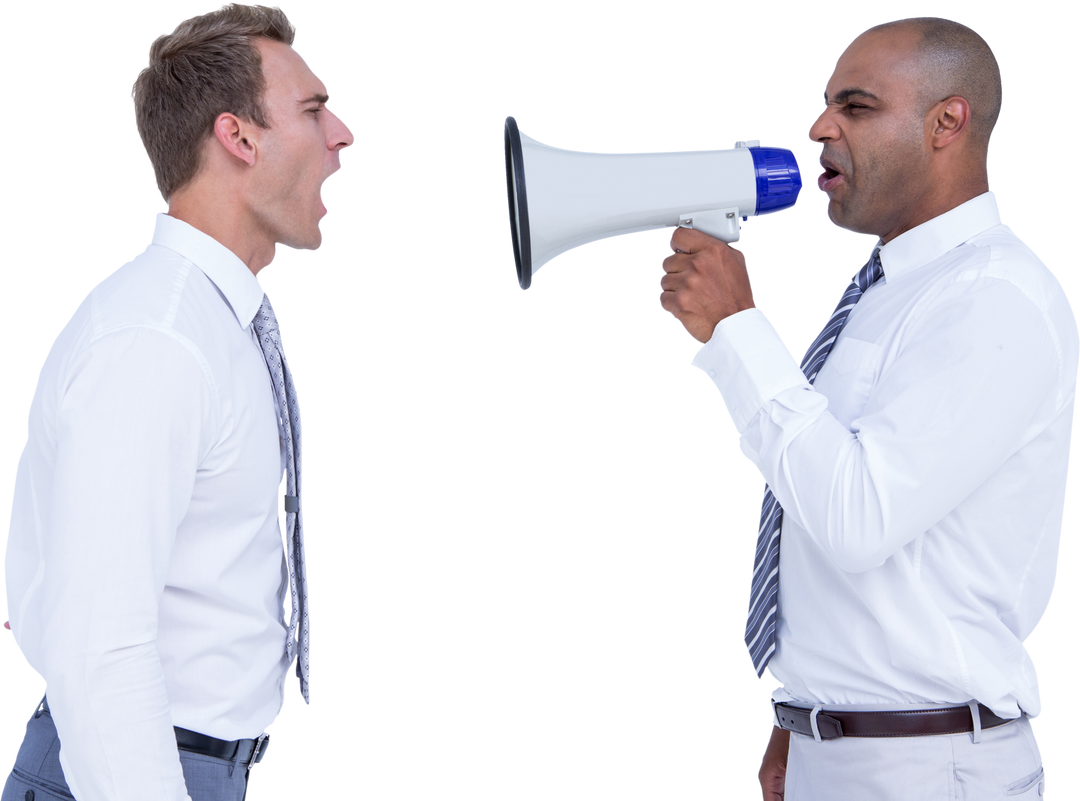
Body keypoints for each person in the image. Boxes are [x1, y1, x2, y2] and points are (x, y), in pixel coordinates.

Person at [658, 14, 1071, 801]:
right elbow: (821, 500)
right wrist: (802, 711)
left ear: (946, 121)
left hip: (929, 770)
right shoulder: (884, 293)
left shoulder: (995, 297)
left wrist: (739, 329)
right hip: (848, 751)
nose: (817, 127)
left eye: (855, 107)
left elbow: (859, 517)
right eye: (824, 104)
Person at [0, 2, 354, 800]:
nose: (343, 134)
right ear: (239, 137)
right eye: (313, 109)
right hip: (128, 770)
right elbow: (101, 652)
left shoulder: (213, 320)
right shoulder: (158, 340)